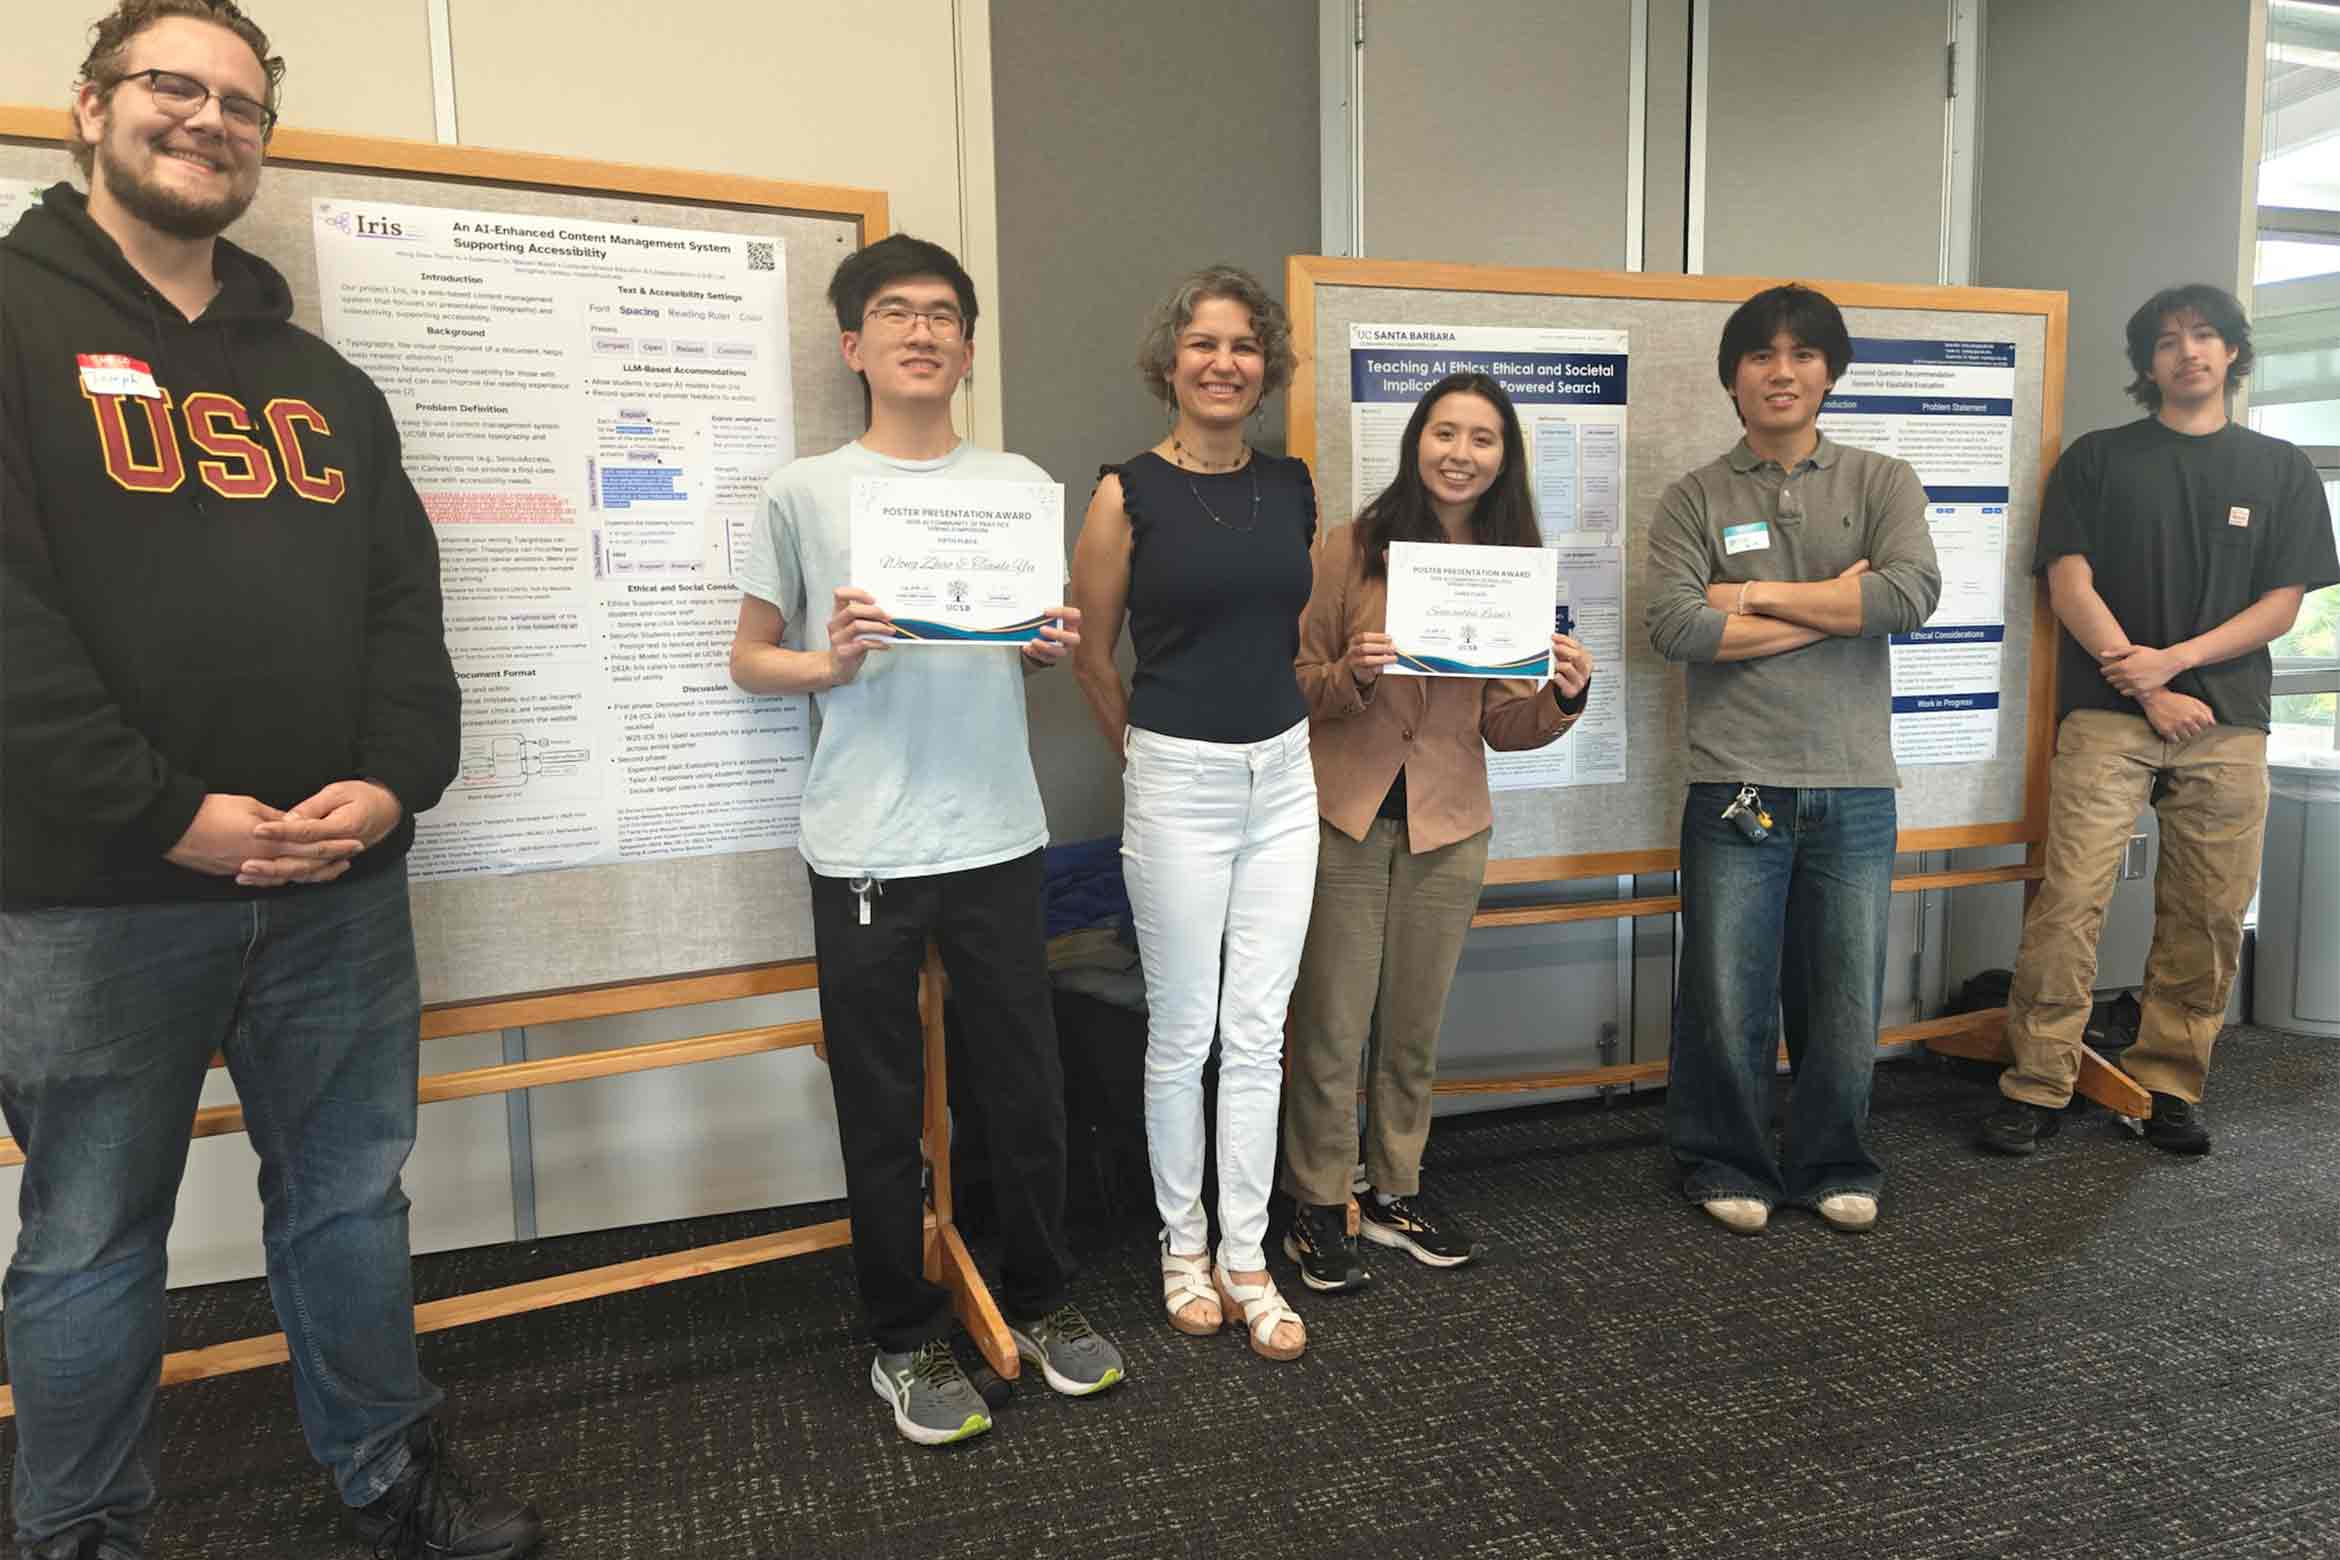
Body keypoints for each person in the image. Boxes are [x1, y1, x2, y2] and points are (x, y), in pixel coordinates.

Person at [0, 3, 542, 1556]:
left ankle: (387, 1478)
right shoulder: (12, 322)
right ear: (89, 109)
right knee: (93, 1239)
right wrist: (169, 812)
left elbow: (401, 615)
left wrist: (391, 790)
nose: (209, 119)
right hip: (99, 897)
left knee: (351, 1203)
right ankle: (80, 1531)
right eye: (174, 86)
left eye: (243, 100)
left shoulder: (321, 385)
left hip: (337, 890)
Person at [729, 233, 1122, 1446]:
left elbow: (1013, 639)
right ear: (854, 345)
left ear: (966, 344)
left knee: (1027, 1088)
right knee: (882, 1101)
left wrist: (1042, 644)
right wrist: (831, 660)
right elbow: (751, 659)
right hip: (863, 845)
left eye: (945, 314)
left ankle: (1044, 1296)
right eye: (895, 313)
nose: (923, 331)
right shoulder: (802, 490)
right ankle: (899, 1338)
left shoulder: (1013, 482)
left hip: (998, 831)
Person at [1978, 284, 2338, 1158]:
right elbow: (2070, 587)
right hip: (2106, 714)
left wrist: (2172, 664)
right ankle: (2037, 1082)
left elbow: (2282, 606)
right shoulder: (2097, 459)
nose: (2189, 352)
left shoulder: (2282, 467)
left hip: (2227, 721)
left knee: (2208, 911)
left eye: (2206, 336)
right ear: (2147, 365)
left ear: (2233, 352)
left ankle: (2170, 1081)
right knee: (2069, 902)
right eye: (2169, 341)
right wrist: (2144, 687)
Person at [1280, 373, 1593, 1293]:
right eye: (1445, 433)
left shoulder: (1513, 564)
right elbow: (1294, 678)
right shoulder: (1349, 548)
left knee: (1413, 1026)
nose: (1461, 453)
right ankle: (1315, 1198)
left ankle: (1394, 1188)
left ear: (1505, 457)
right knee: (1336, 1023)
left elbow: (1504, 724)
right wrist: (1355, 674)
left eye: (1483, 438)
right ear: (1417, 442)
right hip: (1345, 813)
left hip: (1448, 823)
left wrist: (1564, 698)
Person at [1646, 284, 1942, 1237]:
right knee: (1727, 991)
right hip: (1734, 776)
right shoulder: (1695, 494)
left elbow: (1906, 598)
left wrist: (1754, 598)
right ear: (1732, 377)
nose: (1782, 371)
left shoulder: (1882, 480)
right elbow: (1677, 626)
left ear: (1830, 372)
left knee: (1844, 992)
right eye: (1762, 355)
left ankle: (1832, 1161)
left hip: (1855, 781)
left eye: (1803, 354)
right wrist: (1823, 603)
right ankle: (1724, 1159)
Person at [1068, 265, 1318, 1360]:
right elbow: (1090, 651)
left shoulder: (1295, 484)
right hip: (1177, 779)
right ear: (1170, 361)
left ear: (1267, 367)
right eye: (1203, 343)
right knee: (1185, 1033)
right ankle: (1183, 1249)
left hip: (1289, 777)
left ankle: (1249, 1256)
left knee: (1257, 1033)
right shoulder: (1126, 491)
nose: (1224, 363)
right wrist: (1149, 758)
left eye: (1244, 345)